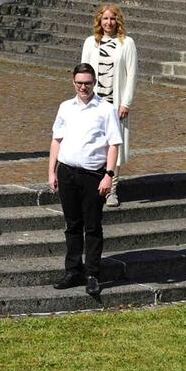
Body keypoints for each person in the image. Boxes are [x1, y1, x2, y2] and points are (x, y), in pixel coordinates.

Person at [48, 62, 122, 297]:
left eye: (87, 83)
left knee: (92, 226)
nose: (83, 87)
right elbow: (56, 140)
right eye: (79, 83)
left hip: (93, 175)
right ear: (73, 82)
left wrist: (109, 175)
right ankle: (73, 270)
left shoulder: (106, 109)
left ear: (94, 83)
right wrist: (51, 171)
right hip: (67, 172)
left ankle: (92, 274)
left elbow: (114, 144)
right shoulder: (65, 107)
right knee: (72, 225)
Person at [80, 4, 137, 207]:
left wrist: (126, 103)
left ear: (117, 21)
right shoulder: (91, 43)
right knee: (94, 143)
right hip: (94, 103)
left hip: (115, 104)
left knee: (114, 145)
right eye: (105, 18)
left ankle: (112, 189)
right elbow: (83, 72)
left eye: (112, 18)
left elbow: (132, 75)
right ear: (99, 21)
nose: (108, 22)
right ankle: (93, 186)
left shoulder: (127, 43)